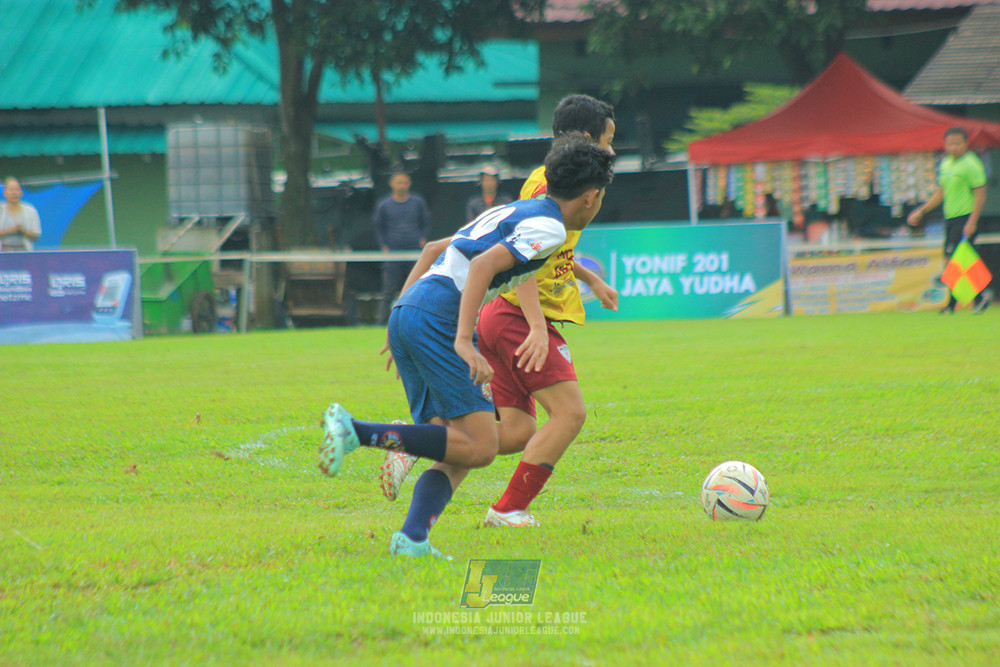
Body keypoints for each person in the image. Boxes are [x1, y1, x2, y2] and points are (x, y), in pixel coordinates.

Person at [319, 133, 616, 558]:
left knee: (456, 446)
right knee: (482, 445)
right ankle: (356, 431)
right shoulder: (550, 227)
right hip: (439, 317)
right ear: (590, 197)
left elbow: (440, 249)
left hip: (415, 309)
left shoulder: (515, 210)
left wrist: (401, 315)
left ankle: (413, 539)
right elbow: (481, 266)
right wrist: (463, 340)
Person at [380, 94, 619, 527]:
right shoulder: (551, 192)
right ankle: (506, 509)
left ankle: (421, 460)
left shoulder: (556, 186)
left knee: (512, 431)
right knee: (569, 414)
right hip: (514, 317)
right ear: (588, 139)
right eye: (609, 140)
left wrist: (590, 279)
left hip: (486, 313)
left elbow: (536, 254)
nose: (612, 149)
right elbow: (513, 263)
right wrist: (536, 327)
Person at [907, 127, 991, 313]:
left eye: (957, 143)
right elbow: (941, 192)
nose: (953, 147)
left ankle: (961, 302)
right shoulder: (946, 163)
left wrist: (972, 222)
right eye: (949, 144)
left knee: (956, 260)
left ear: (965, 144)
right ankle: (974, 300)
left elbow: (980, 194)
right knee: (955, 261)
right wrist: (922, 211)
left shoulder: (971, 164)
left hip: (965, 217)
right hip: (950, 218)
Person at [373, 170, 431, 324]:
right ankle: (381, 323)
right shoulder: (384, 205)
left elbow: (426, 222)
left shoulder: (418, 202)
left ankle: (420, 321)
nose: (402, 186)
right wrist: (384, 246)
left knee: (417, 288)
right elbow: (379, 227)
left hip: (414, 252)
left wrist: (423, 239)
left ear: (409, 184)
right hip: (393, 254)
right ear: (391, 184)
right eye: (399, 182)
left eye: (404, 182)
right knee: (388, 290)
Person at [0, 177, 42, 252]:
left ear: (21, 193)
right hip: (3, 251)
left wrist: (23, 231)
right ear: (5, 193)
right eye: (11, 190)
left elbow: (36, 235)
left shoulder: (30, 211)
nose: (14, 193)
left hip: (24, 251)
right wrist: (11, 230)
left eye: (17, 189)